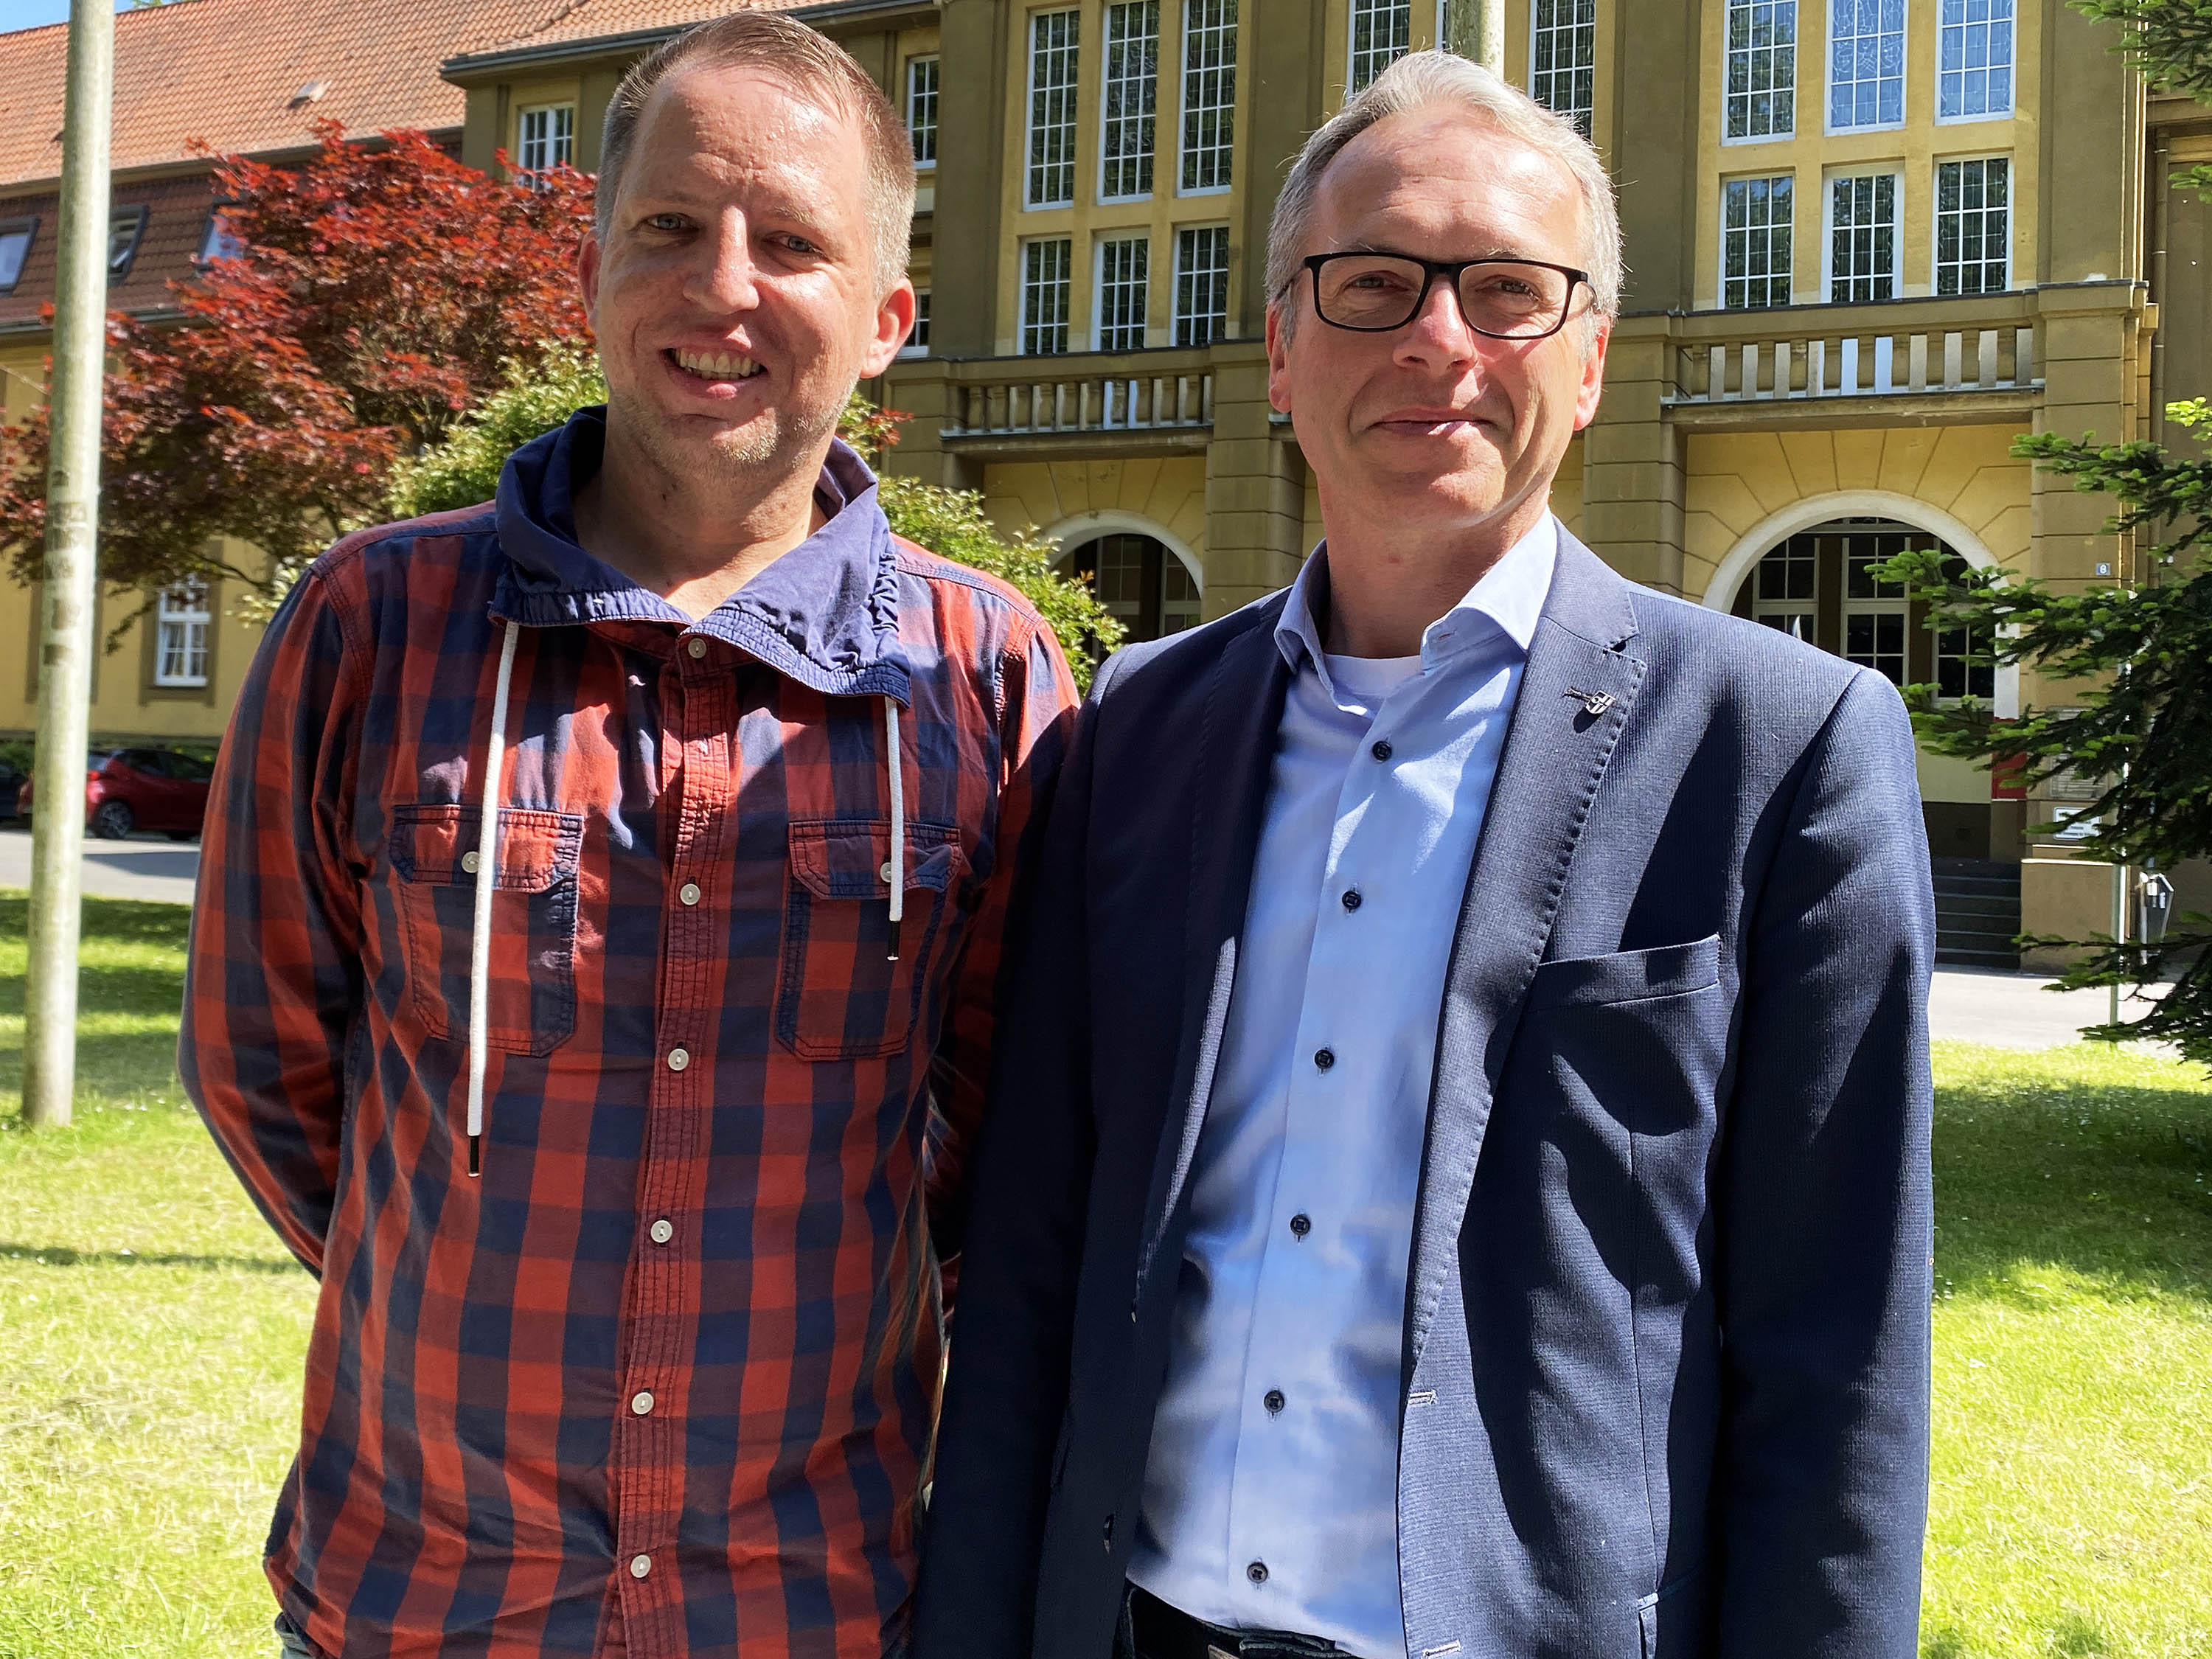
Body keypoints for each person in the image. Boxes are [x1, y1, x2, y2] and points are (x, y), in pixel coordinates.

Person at [914, 50, 1933, 1659]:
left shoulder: (1780, 748)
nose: (1439, 342)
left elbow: (1840, 1357)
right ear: (1278, 348)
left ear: (1588, 357)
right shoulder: (1134, 732)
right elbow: (1037, 1258)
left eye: (1510, 291)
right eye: (1375, 282)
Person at [181, 14, 1077, 1657]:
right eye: (671, 227)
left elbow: (1009, 1120)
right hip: (427, 1595)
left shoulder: (987, 673)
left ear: (886, 317)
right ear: (591, 270)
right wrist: (441, 1272)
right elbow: (262, 1063)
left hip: (812, 1603)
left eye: (792, 241)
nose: (723, 286)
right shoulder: (373, 622)